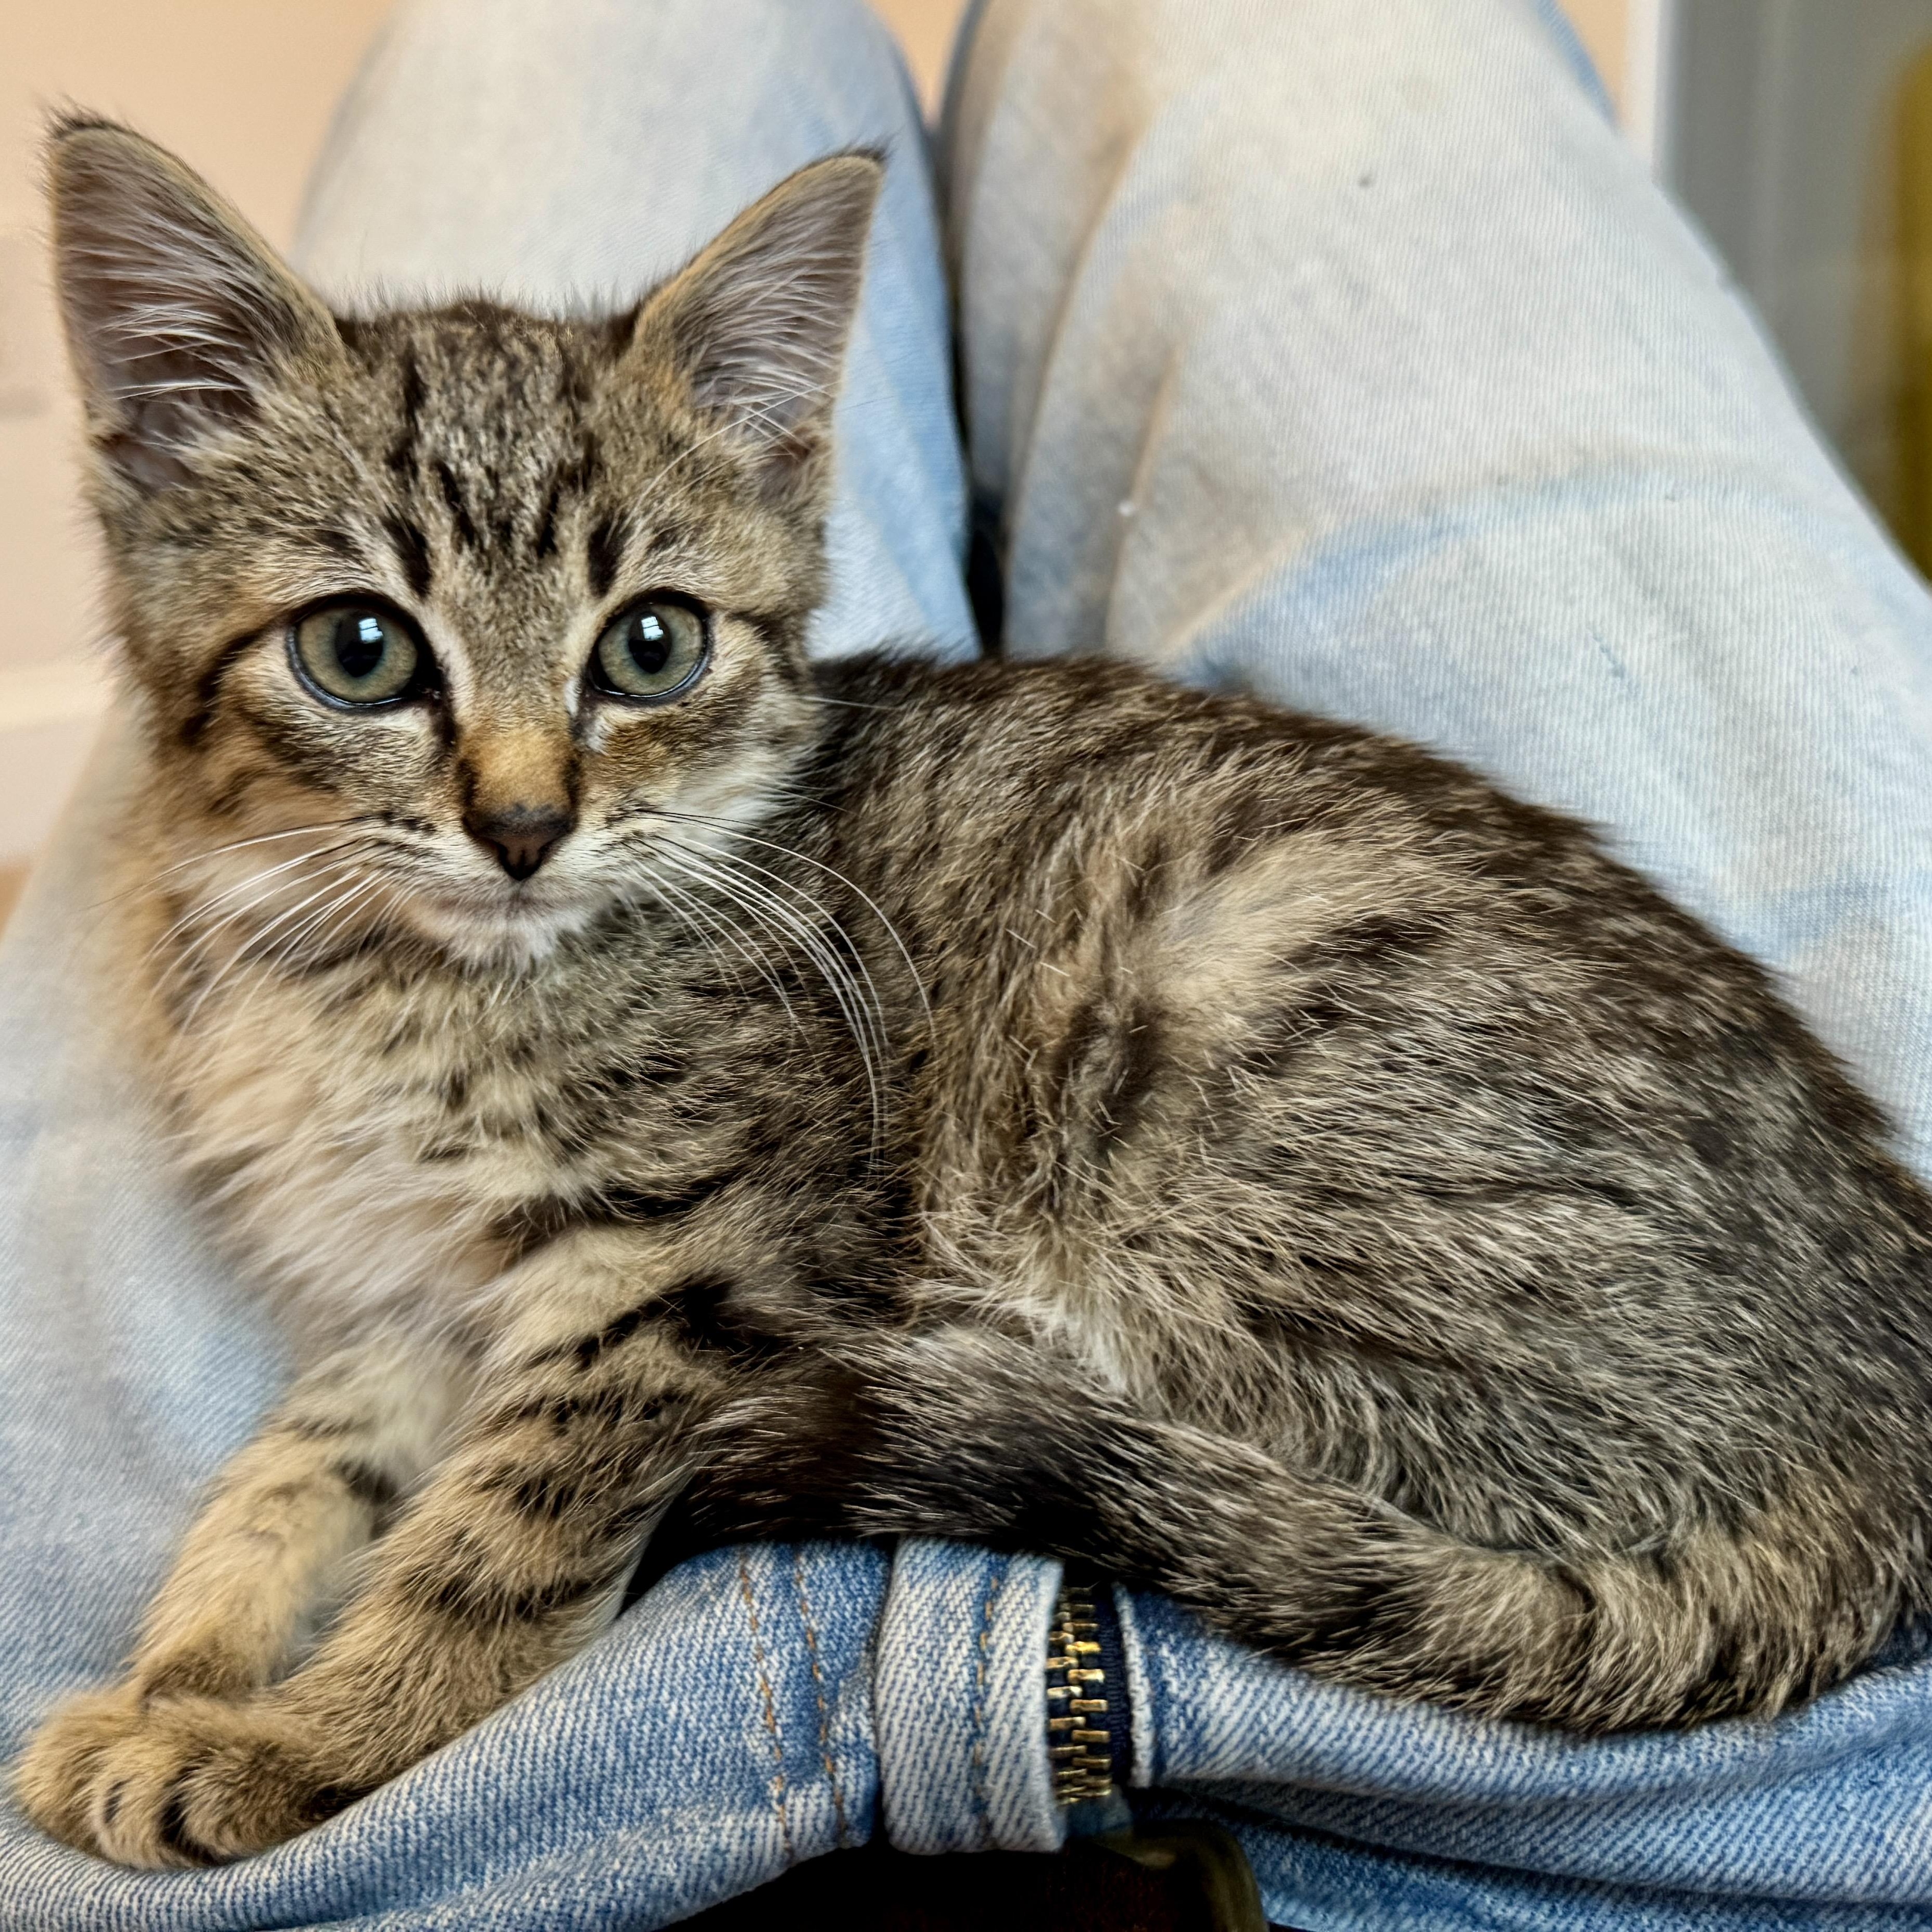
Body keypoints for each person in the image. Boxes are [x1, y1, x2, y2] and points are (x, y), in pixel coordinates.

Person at [7, 0, 1932, 1924]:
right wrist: (203, 1655)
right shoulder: (289, 945)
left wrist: (339, 1738)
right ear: (163, 467)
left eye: (648, 651)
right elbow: (408, 1355)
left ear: (775, 471)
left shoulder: (719, 952)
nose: (526, 795)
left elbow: (663, 1335)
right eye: (369, 653)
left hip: (1586, 1363)